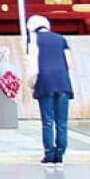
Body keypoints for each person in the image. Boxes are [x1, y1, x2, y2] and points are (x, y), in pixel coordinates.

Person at [26, 14, 74, 168]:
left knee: (47, 121)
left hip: (45, 81)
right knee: (62, 122)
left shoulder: (33, 39)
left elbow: (33, 64)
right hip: (63, 82)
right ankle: (60, 154)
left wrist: (32, 83)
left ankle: (49, 154)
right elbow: (69, 62)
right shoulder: (61, 39)